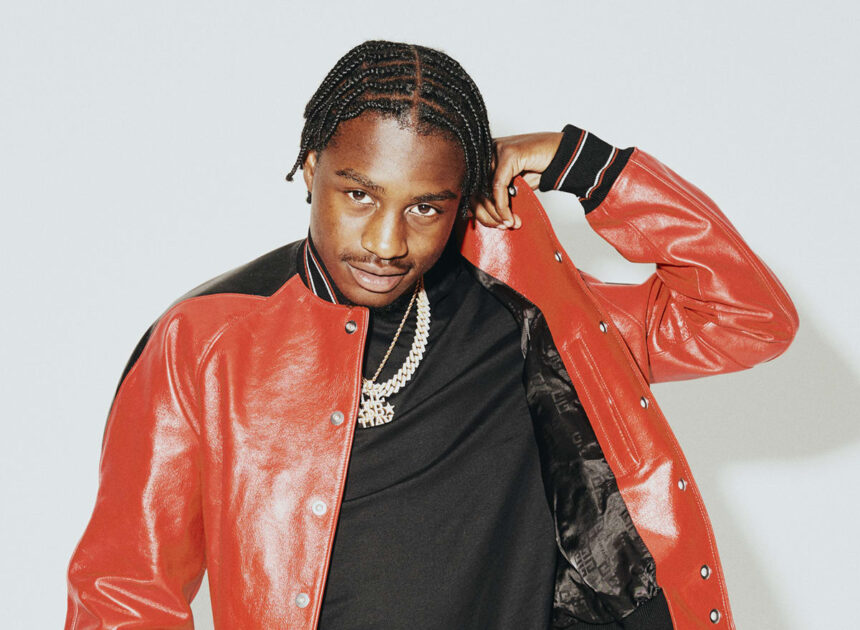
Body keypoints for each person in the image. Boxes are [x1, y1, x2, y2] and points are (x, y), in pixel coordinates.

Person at [64, 39, 798, 630]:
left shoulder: (535, 324)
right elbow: (124, 594)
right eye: (359, 194)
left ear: (464, 201)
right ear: (310, 167)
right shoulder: (205, 340)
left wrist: (589, 165)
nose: (385, 242)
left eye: (426, 208)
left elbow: (748, 320)